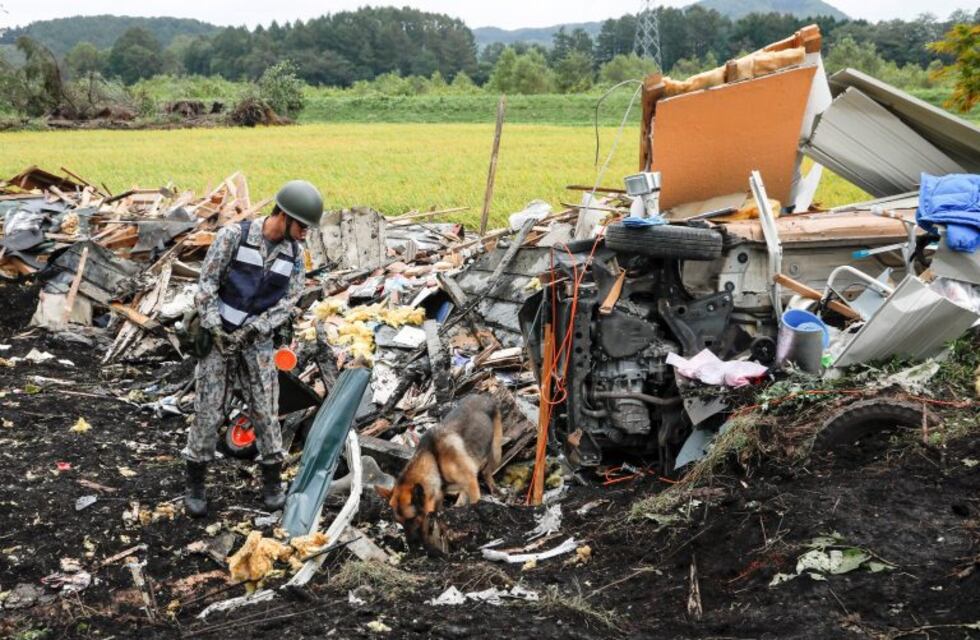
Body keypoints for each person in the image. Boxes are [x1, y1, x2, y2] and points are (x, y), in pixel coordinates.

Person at [182, 180, 323, 517]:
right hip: (219, 341)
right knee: (208, 410)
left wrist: (255, 330)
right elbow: (207, 285)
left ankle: (273, 482)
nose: (305, 233)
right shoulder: (234, 236)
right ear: (285, 217)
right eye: (302, 225)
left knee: (265, 410)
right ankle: (196, 483)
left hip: (256, 344)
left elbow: (289, 303)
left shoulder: (293, 257)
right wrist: (216, 328)